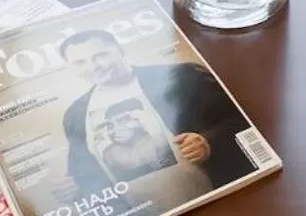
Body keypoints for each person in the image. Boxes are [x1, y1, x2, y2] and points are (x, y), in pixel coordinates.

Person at [57, 29, 254, 192]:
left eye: (100, 55)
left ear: (119, 50)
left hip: (219, 197)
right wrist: (76, 189)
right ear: (70, 68)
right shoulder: (75, 114)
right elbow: (84, 173)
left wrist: (209, 142)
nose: (93, 67)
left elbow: (241, 120)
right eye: (80, 62)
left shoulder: (182, 76)